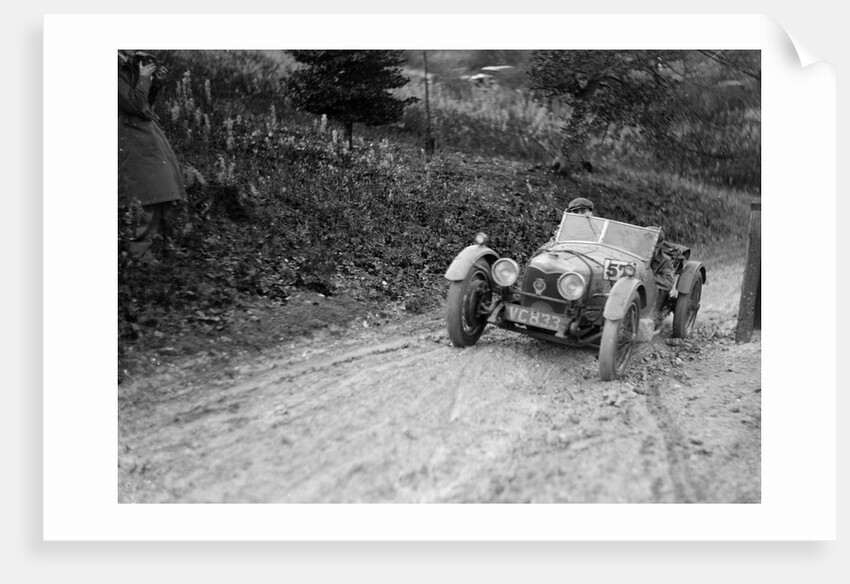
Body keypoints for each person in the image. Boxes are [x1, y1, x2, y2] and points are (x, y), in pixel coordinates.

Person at [118, 50, 187, 261]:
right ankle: (141, 254)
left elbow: (146, 103)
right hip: (127, 133)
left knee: (167, 182)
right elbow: (134, 104)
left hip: (144, 130)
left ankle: (165, 245)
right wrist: (145, 78)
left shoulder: (129, 63)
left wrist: (155, 82)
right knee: (146, 190)